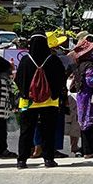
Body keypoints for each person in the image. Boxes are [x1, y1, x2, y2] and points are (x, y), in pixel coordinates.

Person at [15, 32, 66, 168]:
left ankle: (22, 160)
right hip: (50, 102)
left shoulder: (25, 60)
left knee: (26, 131)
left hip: (28, 103)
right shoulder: (54, 60)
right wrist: (55, 94)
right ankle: (48, 159)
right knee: (48, 131)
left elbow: (18, 79)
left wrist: (25, 93)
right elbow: (62, 78)